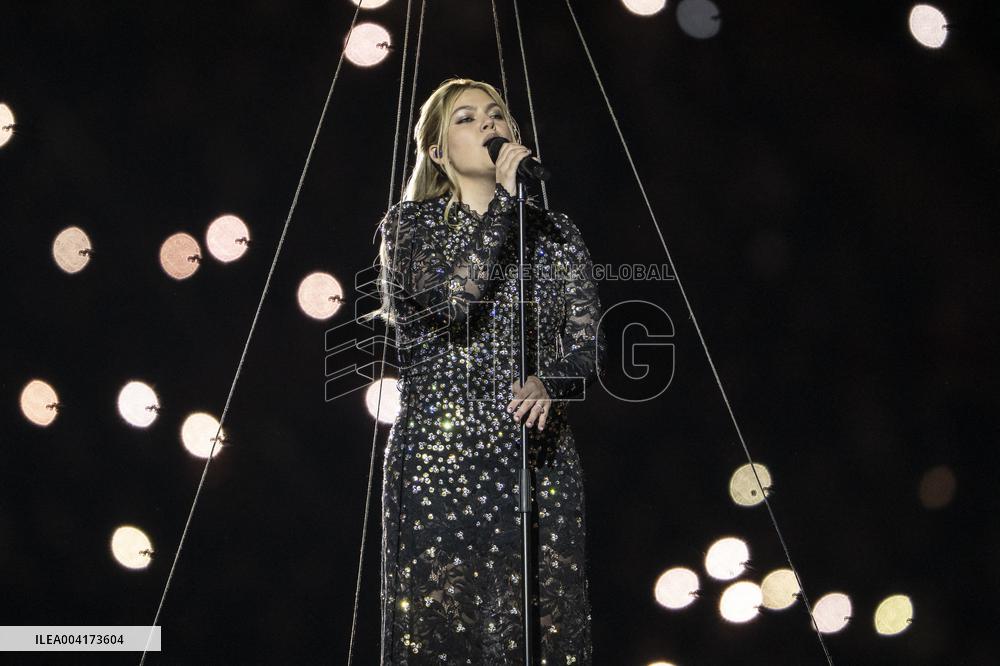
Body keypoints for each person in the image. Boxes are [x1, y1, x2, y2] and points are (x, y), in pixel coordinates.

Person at [370, 77, 607, 664]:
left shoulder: (556, 235)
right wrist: (506, 203)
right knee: (445, 636)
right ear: (437, 152)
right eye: (466, 117)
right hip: (438, 464)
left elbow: (587, 345)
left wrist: (552, 381)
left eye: (497, 114)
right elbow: (456, 302)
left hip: (536, 461)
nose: (488, 123)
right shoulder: (410, 226)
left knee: (537, 636)